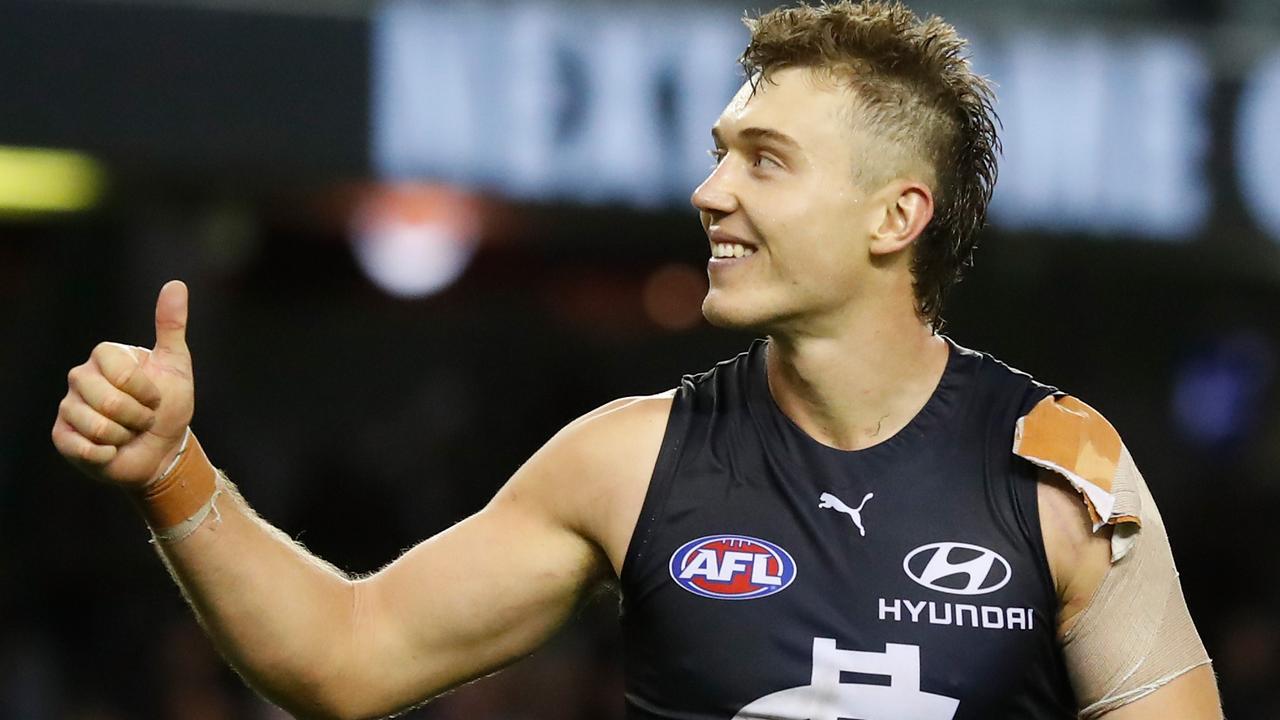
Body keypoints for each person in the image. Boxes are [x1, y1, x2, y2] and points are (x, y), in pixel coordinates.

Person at [52, 2, 1222, 718]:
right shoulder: (625, 464)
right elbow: (343, 660)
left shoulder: (1060, 476)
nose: (709, 191)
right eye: (719, 154)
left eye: (763, 159)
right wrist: (173, 473)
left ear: (893, 216)